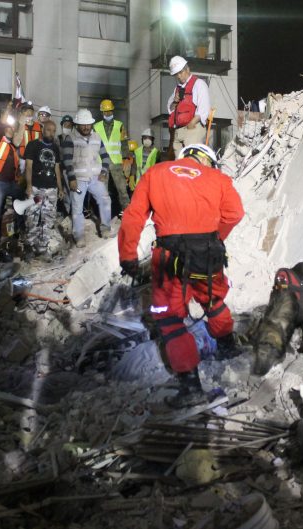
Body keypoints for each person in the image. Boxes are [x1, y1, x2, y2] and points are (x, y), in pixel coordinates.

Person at [118, 144, 244, 408]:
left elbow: (133, 217)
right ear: (207, 160)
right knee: (214, 300)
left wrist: (127, 255)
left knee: (169, 317)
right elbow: (235, 213)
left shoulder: (155, 173)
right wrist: (214, 238)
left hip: (169, 258)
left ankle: (191, 386)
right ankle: (228, 349)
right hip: (208, 255)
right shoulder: (219, 179)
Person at [61, 108, 113, 247]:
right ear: (77, 124)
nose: (85, 127)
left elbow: (106, 157)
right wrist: (71, 178)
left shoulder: (97, 137)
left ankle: (105, 229)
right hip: (78, 180)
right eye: (82, 124)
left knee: (105, 199)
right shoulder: (70, 138)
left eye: (87, 124)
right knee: (77, 207)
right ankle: (79, 237)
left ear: (91, 124)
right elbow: (66, 160)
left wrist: (104, 171)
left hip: (95, 179)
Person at [22, 120, 64, 256]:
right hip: (35, 187)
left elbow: (57, 168)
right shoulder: (33, 145)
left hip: (51, 189)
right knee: (32, 217)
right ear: (42, 130)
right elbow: (28, 166)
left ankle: (43, 247)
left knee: (49, 218)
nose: (51, 133)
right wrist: (28, 186)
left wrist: (60, 188)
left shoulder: (55, 148)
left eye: (53, 131)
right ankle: (30, 246)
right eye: (48, 130)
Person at [0, 116, 23, 243]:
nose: (11, 130)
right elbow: (0, 125)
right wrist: (9, 109)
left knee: (21, 201)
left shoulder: (12, 147)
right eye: (8, 128)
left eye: (12, 129)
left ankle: (19, 231)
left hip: (10, 183)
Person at [167, 56, 211, 154]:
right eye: (176, 74)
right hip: (179, 131)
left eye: (180, 72)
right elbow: (170, 110)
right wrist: (175, 101)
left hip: (192, 129)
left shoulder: (199, 84)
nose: (179, 76)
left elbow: (204, 109)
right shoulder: (177, 89)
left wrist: (191, 124)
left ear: (188, 69)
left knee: (191, 161)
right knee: (179, 164)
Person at [93, 99, 130, 212]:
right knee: (102, 191)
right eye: (105, 112)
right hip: (101, 164)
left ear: (113, 111)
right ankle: (104, 215)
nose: (108, 114)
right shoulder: (96, 127)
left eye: (109, 111)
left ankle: (128, 213)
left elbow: (124, 144)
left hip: (116, 162)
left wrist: (126, 160)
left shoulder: (120, 125)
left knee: (122, 189)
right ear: (102, 112)